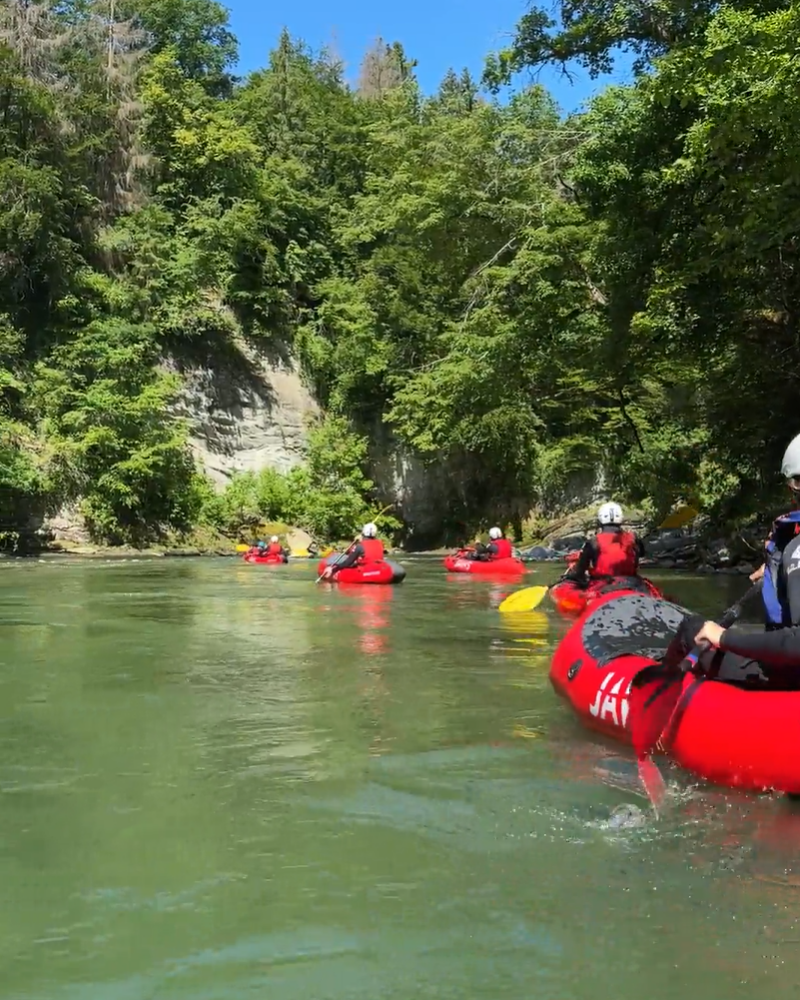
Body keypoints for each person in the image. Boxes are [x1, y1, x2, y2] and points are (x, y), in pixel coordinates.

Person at [669, 433, 800, 685]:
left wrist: (722, 638)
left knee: (693, 627)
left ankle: (663, 690)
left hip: (789, 676)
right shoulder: (792, 552)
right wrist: (780, 571)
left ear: (792, 487)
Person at [564, 502, 645, 587]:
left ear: (600, 520)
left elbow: (580, 571)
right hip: (632, 583)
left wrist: (570, 578)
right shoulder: (633, 538)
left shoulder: (593, 542)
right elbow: (642, 553)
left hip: (603, 585)